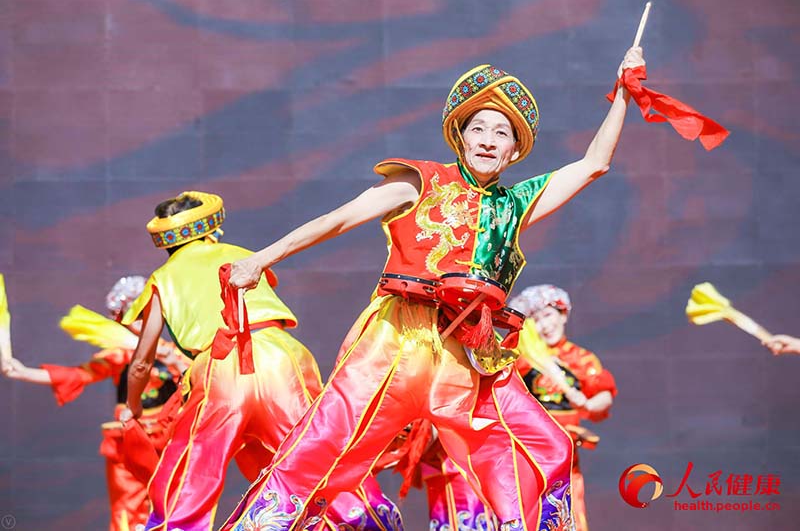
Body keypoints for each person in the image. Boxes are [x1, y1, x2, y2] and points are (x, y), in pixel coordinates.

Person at [224, 44, 646, 531]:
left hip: (471, 355)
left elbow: (593, 164)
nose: (488, 139)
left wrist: (624, 93)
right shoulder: (420, 182)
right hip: (397, 343)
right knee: (319, 453)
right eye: (478, 128)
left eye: (501, 132)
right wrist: (261, 258)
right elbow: (338, 219)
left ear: (514, 150)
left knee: (544, 447)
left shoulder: (514, 203)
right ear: (461, 137)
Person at [120, 191, 401, 531]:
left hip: (220, 368)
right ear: (211, 232)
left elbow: (140, 363)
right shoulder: (241, 255)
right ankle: (368, 519)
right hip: (282, 358)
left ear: (166, 243)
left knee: (194, 467)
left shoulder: (162, 280)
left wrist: (131, 406)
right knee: (316, 452)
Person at [0, 276, 186, 531]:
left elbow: (199, 380)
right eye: (132, 317)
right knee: (128, 508)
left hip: (169, 441)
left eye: (145, 315)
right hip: (131, 440)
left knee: (175, 504)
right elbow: (78, 375)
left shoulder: (173, 351)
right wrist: (21, 372)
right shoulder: (121, 354)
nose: (140, 324)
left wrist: (175, 362)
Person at [510, 285, 617, 531]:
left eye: (548, 316)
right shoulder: (521, 358)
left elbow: (603, 394)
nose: (543, 326)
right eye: (535, 320)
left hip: (565, 453)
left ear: (563, 314)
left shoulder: (580, 358)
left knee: (568, 509)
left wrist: (588, 404)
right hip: (527, 449)